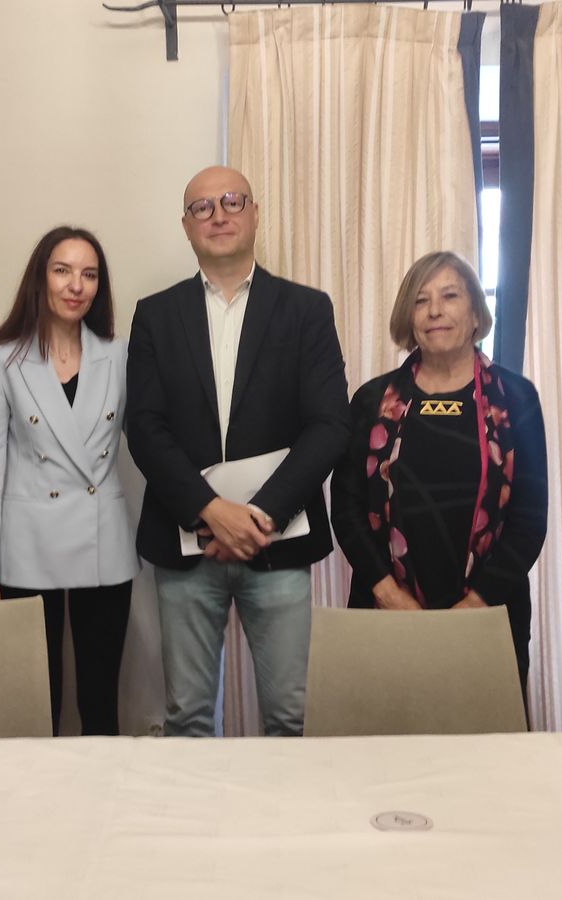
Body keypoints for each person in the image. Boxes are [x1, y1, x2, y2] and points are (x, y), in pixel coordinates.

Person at [126, 166, 349, 737]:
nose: (218, 214)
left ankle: (284, 827)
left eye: (231, 201)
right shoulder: (155, 315)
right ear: (186, 226)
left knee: (292, 716)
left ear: (254, 212)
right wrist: (212, 512)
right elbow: (145, 427)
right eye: (202, 207)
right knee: (188, 717)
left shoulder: (307, 309)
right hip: (187, 545)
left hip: (277, 541)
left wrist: (261, 516)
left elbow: (328, 426)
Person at [330, 251, 547, 686]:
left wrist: (476, 606)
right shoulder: (372, 401)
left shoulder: (516, 398)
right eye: (420, 300)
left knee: (485, 750)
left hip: (490, 614)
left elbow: (530, 517)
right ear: (409, 318)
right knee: (387, 746)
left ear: (474, 312)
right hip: (385, 612)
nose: (435, 311)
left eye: (450, 296)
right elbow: (347, 509)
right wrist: (389, 595)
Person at [0, 226, 138, 736]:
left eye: (89, 274)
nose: (76, 285)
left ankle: (100, 811)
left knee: (100, 703)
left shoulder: (120, 355)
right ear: (40, 279)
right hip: (25, 549)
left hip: (102, 542)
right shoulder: (1, 361)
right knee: (35, 704)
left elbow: (152, 440)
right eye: (62, 270)